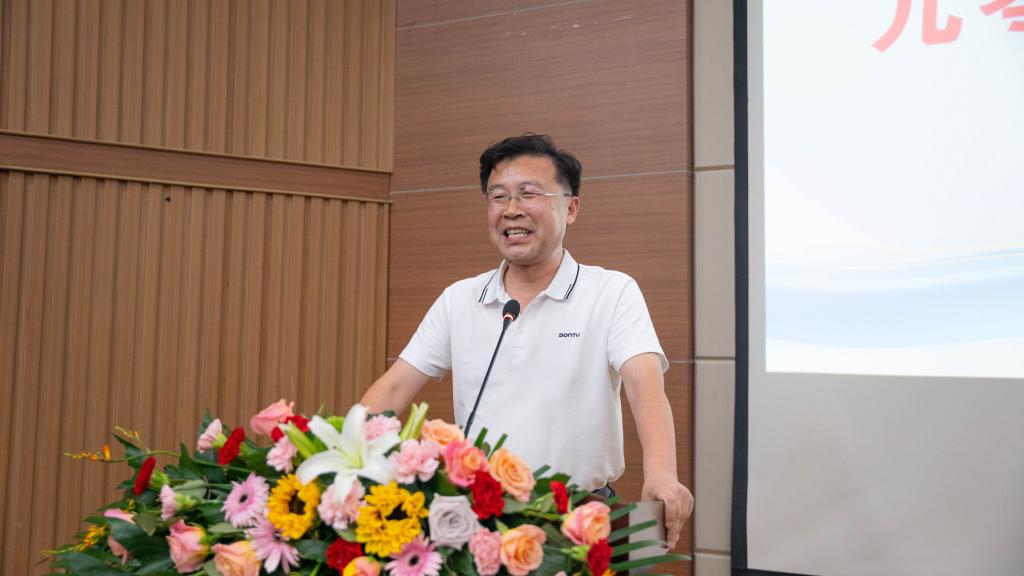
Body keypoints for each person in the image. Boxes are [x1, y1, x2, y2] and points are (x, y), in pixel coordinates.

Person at [360, 134, 693, 548]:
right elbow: (394, 388)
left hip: (577, 523)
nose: (511, 209)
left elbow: (645, 384)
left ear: (571, 208)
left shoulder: (611, 292)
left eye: (529, 194)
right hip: (475, 522)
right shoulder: (460, 299)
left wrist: (661, 473)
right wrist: (337, 455)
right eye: (498, 196)